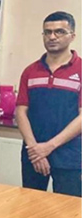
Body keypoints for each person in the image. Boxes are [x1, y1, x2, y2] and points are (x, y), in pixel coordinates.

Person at [16, 11, 82, 197]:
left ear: (72, 36)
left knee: (68, 213)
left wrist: (49, 147)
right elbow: (21, 112)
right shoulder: (30, 71)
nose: (52, 37)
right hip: (33, 153)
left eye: (59, 31)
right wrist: (34, 149)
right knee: (31, 207)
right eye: (47, 32)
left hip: (70, 156)